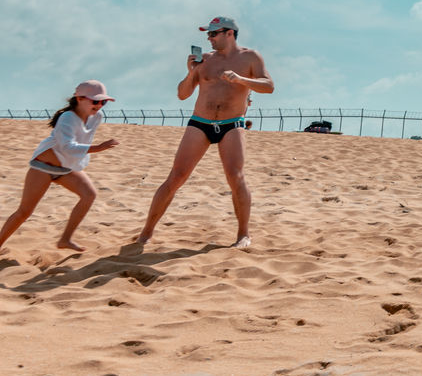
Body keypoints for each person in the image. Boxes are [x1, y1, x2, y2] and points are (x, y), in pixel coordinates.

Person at [137, 17, 274, 248]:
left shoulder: (250, 57)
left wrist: (241, 80)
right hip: (200, 122)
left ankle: (243, 235)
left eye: (213, 34)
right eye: (208, 34)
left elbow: (269, 86)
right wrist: (192, 72)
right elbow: (182, 94)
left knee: (236, 177)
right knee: (176, 176)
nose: (209, 38)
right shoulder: (205, 60)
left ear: (229, 33)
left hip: (232, 123)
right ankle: (146, 232)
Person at [0, 81, 120, 252]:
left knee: (89, 195)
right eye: (95, 101)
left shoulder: (97, 117)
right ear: (79, 98)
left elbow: (82, 141)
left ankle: (65, 240)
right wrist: (99, 148)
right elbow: (67, 146)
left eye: (103, 102)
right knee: (24, 212)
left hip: (65, 168)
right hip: (42, 168)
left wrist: (83, 159)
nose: (99, 105)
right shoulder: (67, 118)